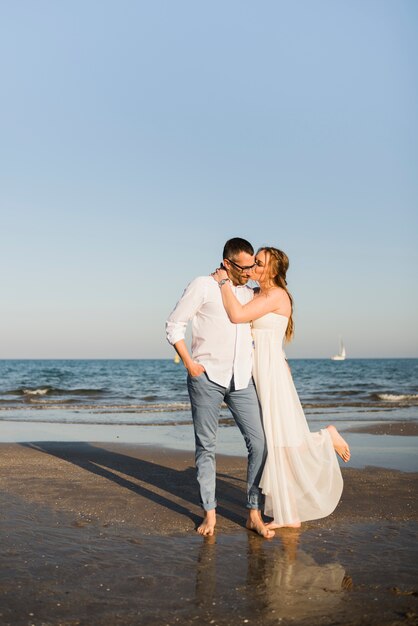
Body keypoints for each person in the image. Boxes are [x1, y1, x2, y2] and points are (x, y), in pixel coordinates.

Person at [212, 246, 350, 529]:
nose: (253, 268)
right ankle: (289, 513)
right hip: (259, 370)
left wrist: (224, 281)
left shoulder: (276, 295)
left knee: (282, 438)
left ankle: (326, 436)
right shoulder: (258, 294)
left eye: (259, 264)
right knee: (276, 440)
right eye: (253, 263)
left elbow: (237, 316)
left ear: (273, 270)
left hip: (270, 372)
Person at [166, 238, 274, 538]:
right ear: (227, 263)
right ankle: (210, 513)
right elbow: (174, 324)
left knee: (260, 443)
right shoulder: (203, 285)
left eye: (253, 264)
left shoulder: (250, 291)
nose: (249, 270)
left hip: (242, 380)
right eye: (244, 266)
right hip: (207, 377)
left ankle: (253, 512)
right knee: (207, 447)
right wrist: (189, 362)